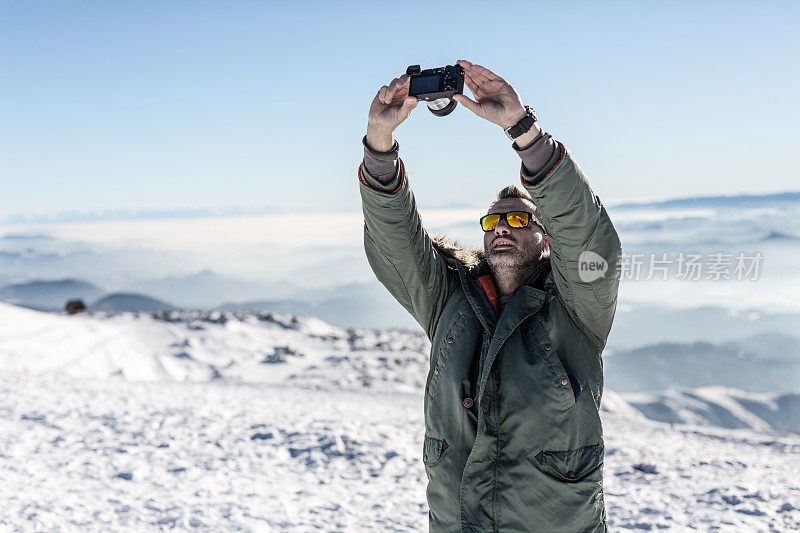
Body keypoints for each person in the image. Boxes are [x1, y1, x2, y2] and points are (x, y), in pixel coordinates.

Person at [358, 59, 621, 532]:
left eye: (519, 218)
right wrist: (380, 144)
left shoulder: (576, 309)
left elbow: (587, 237)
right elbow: (395, 246)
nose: (502, 225)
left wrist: (523, 130)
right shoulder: (449, 301)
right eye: (493, 220)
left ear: (545, 238)